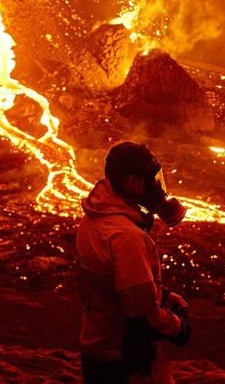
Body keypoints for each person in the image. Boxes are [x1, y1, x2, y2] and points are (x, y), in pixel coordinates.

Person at [76, 141, 191, 384]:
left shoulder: (94, 219)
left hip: (98, 346)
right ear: (132, 182)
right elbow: (141, 317)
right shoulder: (126, 236)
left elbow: (113, 284)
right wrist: (178, 327)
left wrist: (163, 295)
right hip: (124, 358)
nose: (157, 186)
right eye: (152, 178)